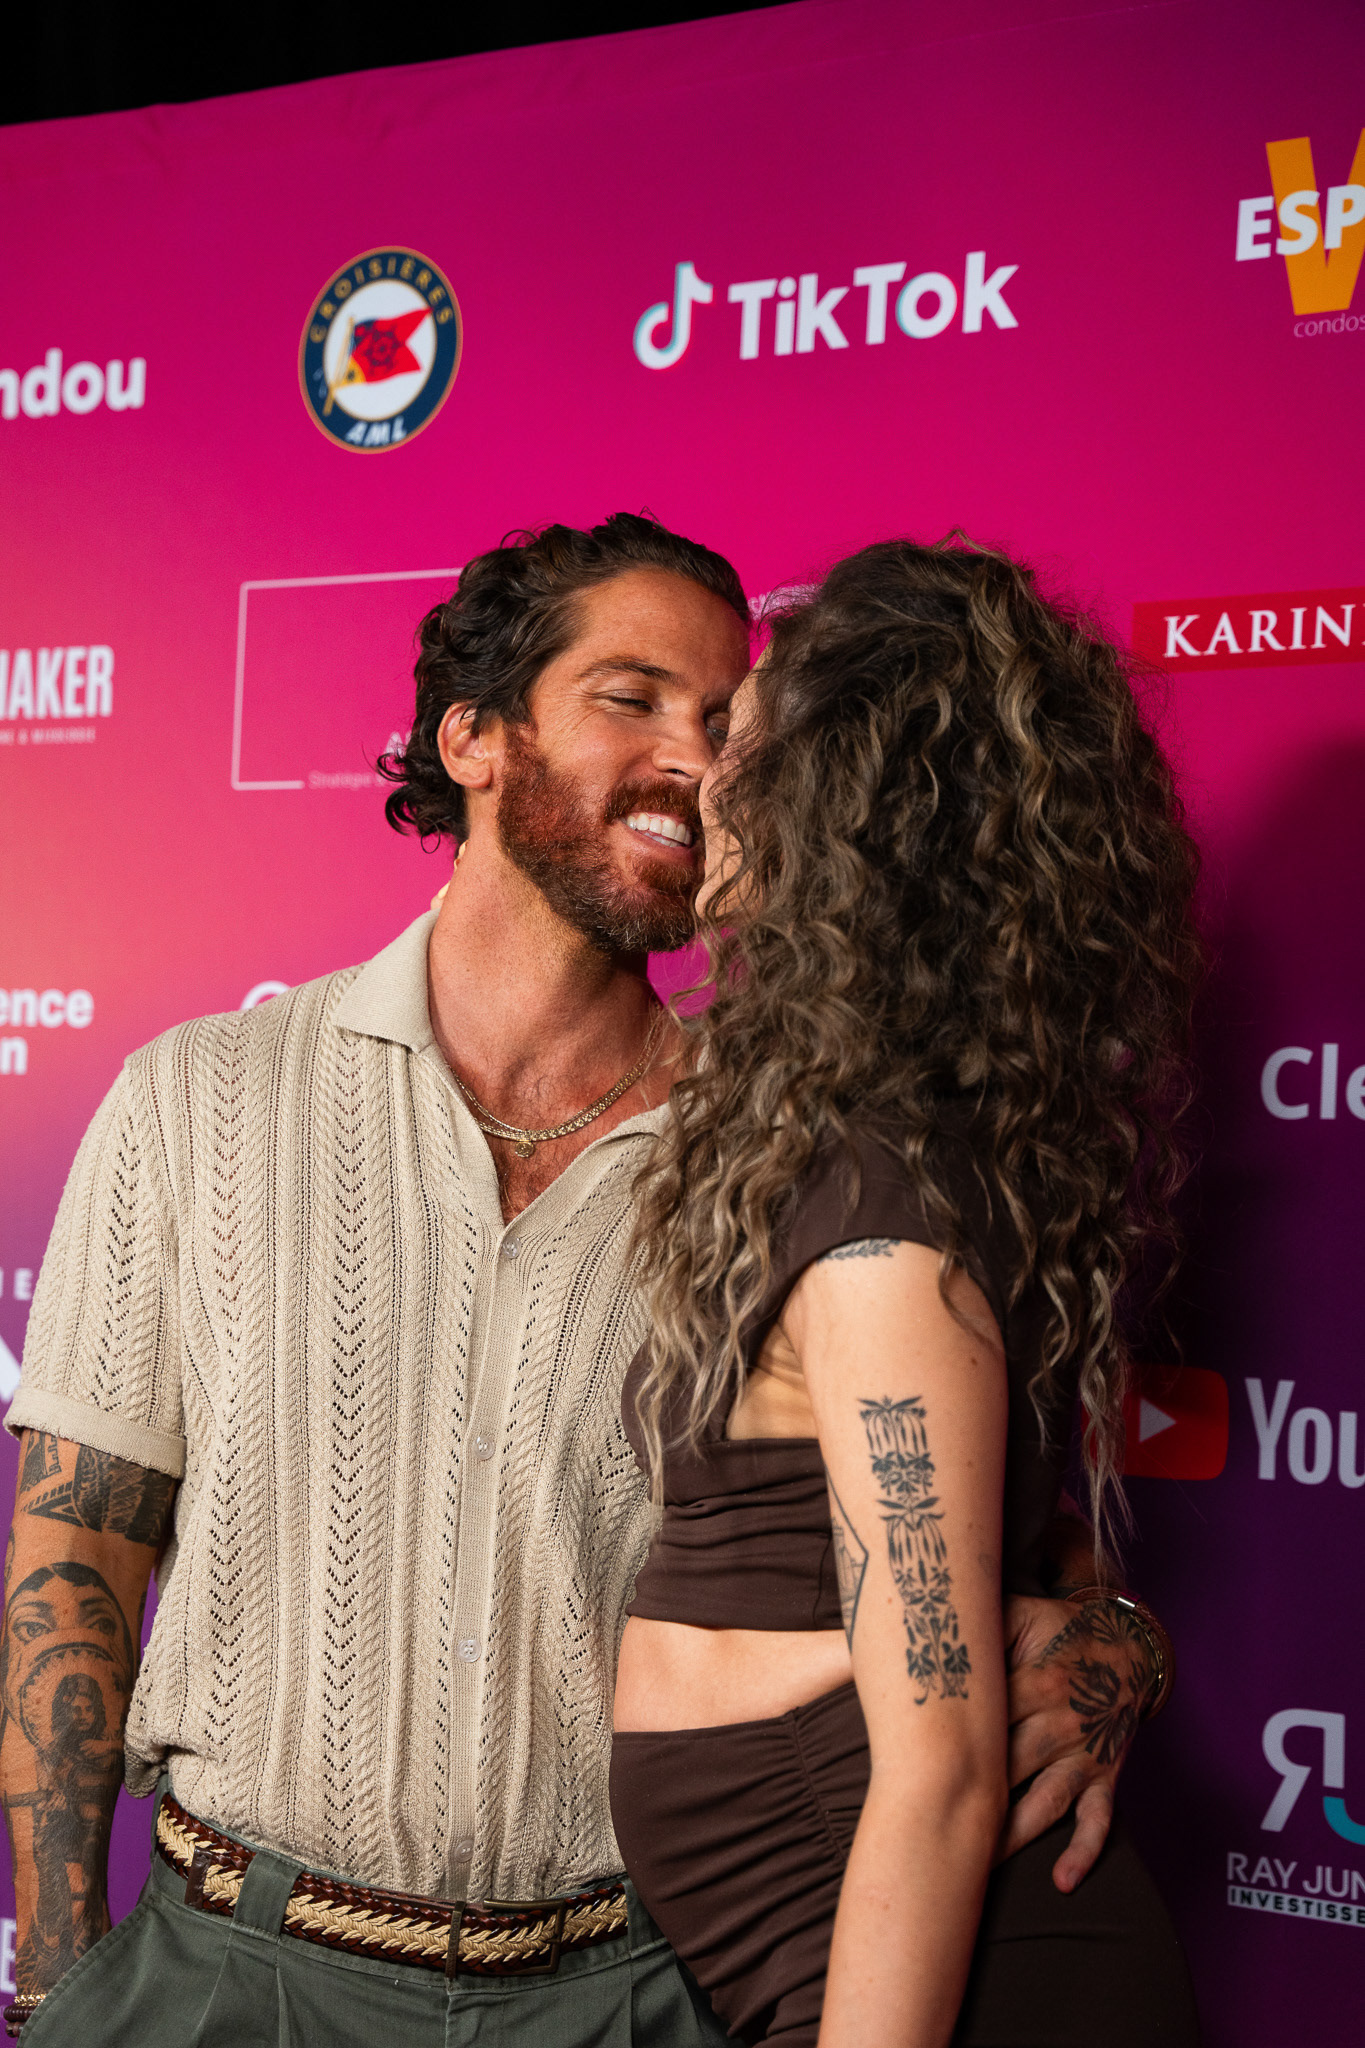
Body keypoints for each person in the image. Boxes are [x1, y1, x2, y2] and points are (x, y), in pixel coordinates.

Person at [2, 516, 1160, 2046]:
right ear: (471, 737)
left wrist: (1112, 1644)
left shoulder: (781, 1156)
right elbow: (77, 1549)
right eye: (632, 698)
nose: (690, 755)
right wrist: (57, 1976)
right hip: (231, 1978)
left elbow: (983, 1524)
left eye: (722, 716)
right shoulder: (197, 1100)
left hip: (634, 1993)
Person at [611, 538, 1204, 2047]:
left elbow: (937, 1771)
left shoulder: (882, 1218)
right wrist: (1112, 1632)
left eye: (738, 741)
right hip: (814, 1941)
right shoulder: (852, 1149)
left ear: (833, 807)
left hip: (947, 1969)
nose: (700, 777)